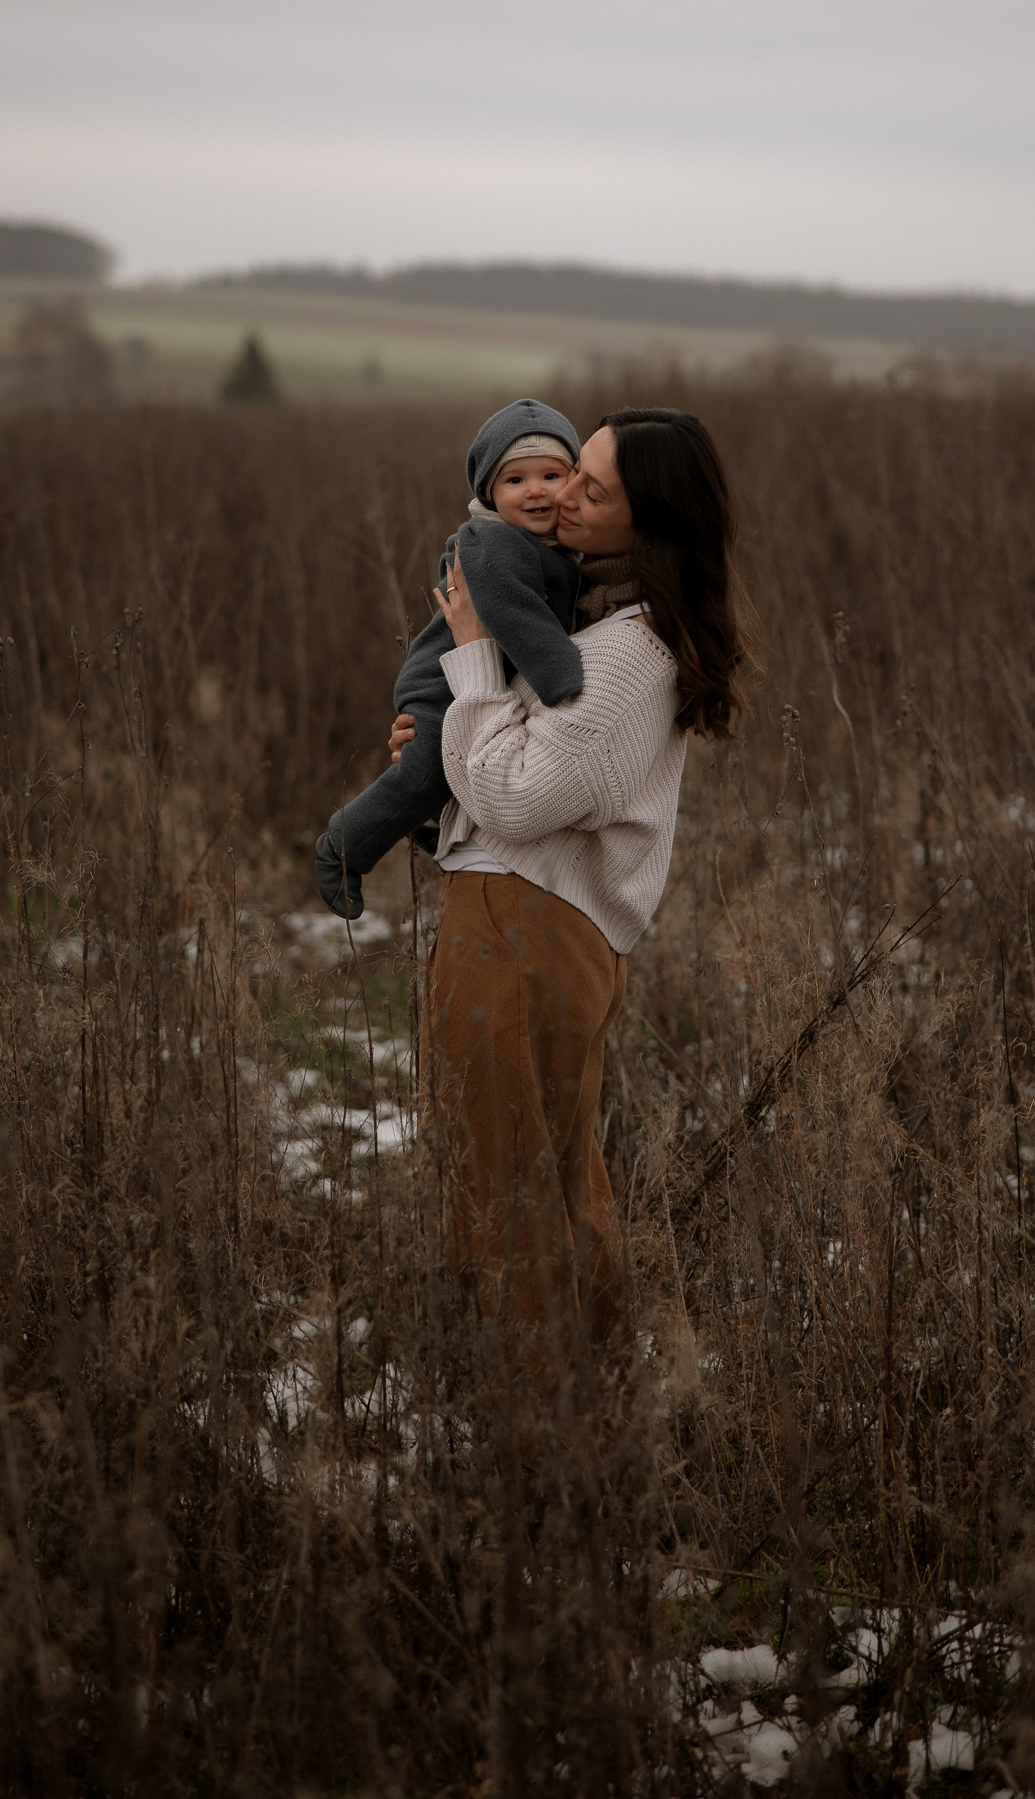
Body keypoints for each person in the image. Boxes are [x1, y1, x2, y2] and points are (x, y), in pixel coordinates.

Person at [397, 407, 750, 1356]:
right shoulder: (601, 622)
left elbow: (516, 797)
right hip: (531, 927)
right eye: (566, 473)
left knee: (506, 1198)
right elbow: (509, 761)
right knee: (551, 1182)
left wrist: (470, 658)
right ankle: (592, 1425)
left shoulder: (630, 651)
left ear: (653, 519)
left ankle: (540, 1447)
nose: (561, 498)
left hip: (521, 932)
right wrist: (440, 741)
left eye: (592, 489)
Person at [316, 397, 584, 921]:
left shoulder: (551, 544)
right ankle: (343, 848)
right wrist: (562, 675)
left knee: (443, 774)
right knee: (423, 773)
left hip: (475, 677)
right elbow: (514, 612)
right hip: (440, 682)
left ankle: (427, 817)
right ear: (488, 492)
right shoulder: (491, 543)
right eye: (515, 480)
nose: (535, 490)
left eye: (551, 474)